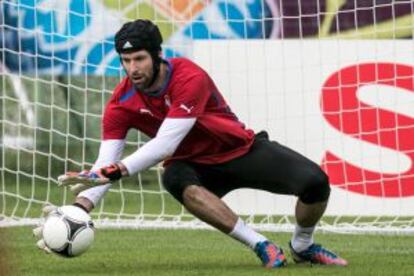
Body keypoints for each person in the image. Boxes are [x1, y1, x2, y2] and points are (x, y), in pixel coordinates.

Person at [36, 19, 347, 268]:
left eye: (140, 58)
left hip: (238, 150)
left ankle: (302, 245)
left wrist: (116, 170)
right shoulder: (119, 105)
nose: (133, 68)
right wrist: (77, 211)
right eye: (126, 60)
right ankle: (261, 245)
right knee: (172, 177)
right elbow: (104, 166)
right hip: (194, 167)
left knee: (316, 182)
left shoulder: (188, 75)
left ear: (158, 55)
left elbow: (165, 143)